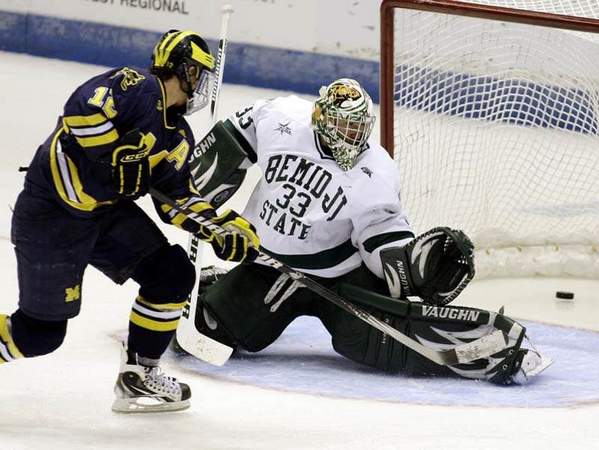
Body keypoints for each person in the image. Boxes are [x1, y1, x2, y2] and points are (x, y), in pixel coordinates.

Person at [176, 78, 550, 385]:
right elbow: (235, 137)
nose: (351, 137)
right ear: (320, 117)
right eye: (343, 126)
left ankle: (492, 344)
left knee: (369, 343)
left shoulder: (376, 170)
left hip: (339, 279)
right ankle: (214, 286)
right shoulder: (281, 118)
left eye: (358, 127)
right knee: (212, 330)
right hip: (267, 264)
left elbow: (383, 240)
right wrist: (205, 176)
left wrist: (413, 268)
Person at [0, 29, 259, 413]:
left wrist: (218, 226)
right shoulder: (136, 87)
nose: (201, 85)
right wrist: (113, 152)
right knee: (40, 334)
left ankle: (139, 375)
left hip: (105, 216)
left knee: (171, 275)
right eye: (199, 74)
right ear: (185, 70)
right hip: (53, 215)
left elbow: (177, 200)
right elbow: (80, 110)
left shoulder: (178, 137)